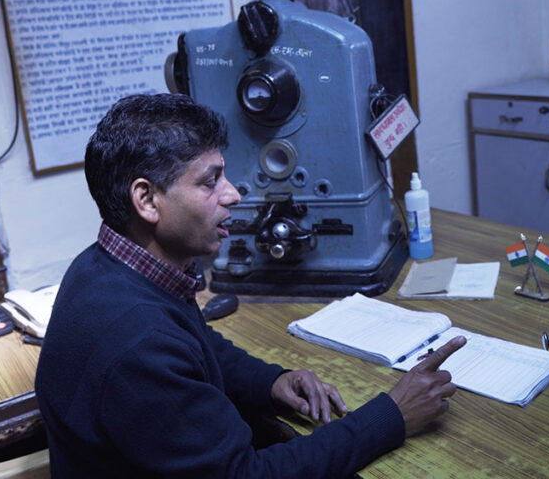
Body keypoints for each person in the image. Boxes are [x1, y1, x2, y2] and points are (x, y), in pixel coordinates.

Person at [35, 93, 465, 478]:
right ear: (147, 200)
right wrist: (391, 417)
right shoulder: (138, 343)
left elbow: (194, 342)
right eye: (209, 181)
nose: (233, 195)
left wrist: (270, 382)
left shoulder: (100, 266)